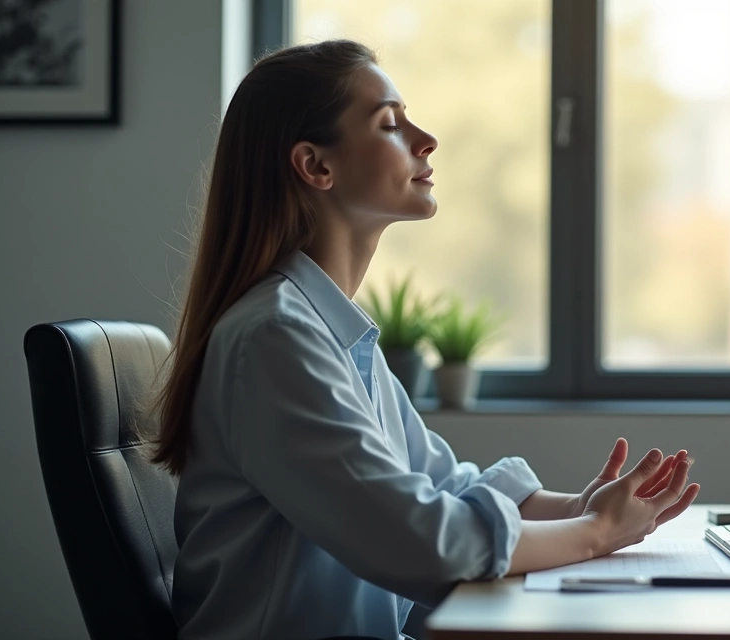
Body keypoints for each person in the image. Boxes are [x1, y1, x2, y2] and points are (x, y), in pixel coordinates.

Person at [148, 39, 700, 640]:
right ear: (316, 166)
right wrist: (596, 532)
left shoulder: (327, 331)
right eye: (389, 123)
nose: (425, 138)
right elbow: (426, 544)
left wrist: (578, 509)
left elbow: (446, 487)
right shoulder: (276, 337)